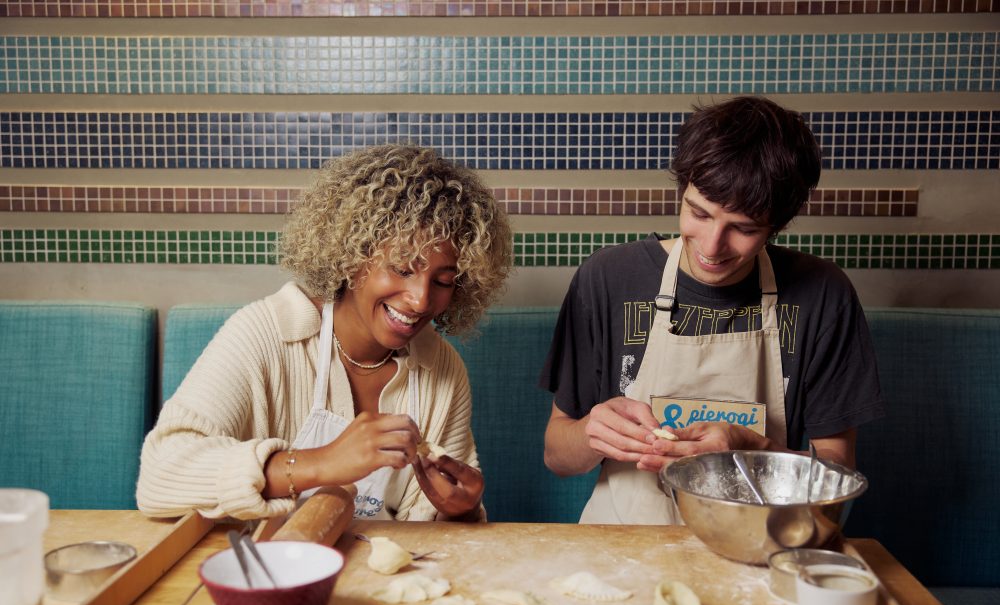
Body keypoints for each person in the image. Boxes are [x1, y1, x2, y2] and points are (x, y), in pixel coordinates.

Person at [539, 96, 885, 524]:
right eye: (698, 213)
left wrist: (753, 449)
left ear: (777, 224)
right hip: (624, 545)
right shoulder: (608, 278)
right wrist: (595, 432)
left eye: (743, 228)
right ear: (682, 188)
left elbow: (835, 480)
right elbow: (557, 454)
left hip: (762, 548)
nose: (711, 246)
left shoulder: (822, 295)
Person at [137, 144, 512, 522]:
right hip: (266, 571)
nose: (420, 299)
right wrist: (320, 463)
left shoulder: (442, 370)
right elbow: (160, 474)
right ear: (352, 256)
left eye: (444, 281)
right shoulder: (266, 334)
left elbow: (436, 539)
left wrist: (460, 511)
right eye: (401, 269)